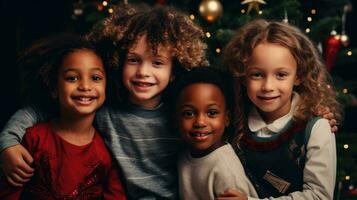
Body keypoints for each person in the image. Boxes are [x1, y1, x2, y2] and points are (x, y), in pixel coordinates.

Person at [0, 4, 208, 199]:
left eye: (157, 63)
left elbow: (209, 150)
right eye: (133, 60)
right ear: (118, 60)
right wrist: (8, 142)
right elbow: (39, 110)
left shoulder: (181, 116)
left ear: (175, 70)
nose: (143, 72)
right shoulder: (104, 108)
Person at [218, 19, 343, 200]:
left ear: (299, 75)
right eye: (257, 74)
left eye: (281, 75)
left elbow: (319, 196)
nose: (268, 86)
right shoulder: (234, 120)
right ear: (243, 76)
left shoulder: (315, 128)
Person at [0, 33, 126, 199]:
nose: (85, 86)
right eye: (72, 78)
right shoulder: (34, 138)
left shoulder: (107, 151)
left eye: (95, 78)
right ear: (54, 88)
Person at [173, 67, 258, 200]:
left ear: (226, 118)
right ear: (177, 119)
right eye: (189, 113)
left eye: (211, 113)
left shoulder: (226, 170)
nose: (200, 122)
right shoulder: (183, 155)